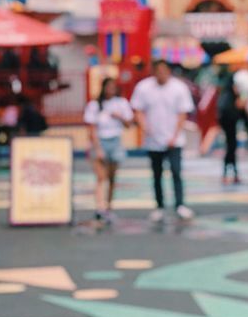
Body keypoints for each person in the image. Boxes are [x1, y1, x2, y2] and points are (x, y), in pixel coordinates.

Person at [131, 59, 195, 223]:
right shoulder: (144, 87)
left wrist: (175, 135)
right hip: (153, 140)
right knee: (157, 174)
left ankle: (180, 204)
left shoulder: (178, 88)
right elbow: (137, 110)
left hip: (174, 140)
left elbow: (183, 113)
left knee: (176, 171)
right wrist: (145, 127)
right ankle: (159, 206)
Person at [83, 77, 133, 223]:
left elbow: (129, 124)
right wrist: (97, 148)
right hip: (100, 141)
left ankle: (108, 207)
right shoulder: (95, 105)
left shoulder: (121, 103)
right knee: (101, 177)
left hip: (115, 141)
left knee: (111, 177)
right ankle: (100, 207)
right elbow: (91, 128)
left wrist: (120, 117)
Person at [216, 70, 242, 186]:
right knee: (231, 150)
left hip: (228, 128)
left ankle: (231, 173)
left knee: (230, 149)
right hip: (230, 128)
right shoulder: (231, 97)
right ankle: (231, 173)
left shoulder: (224, 95)